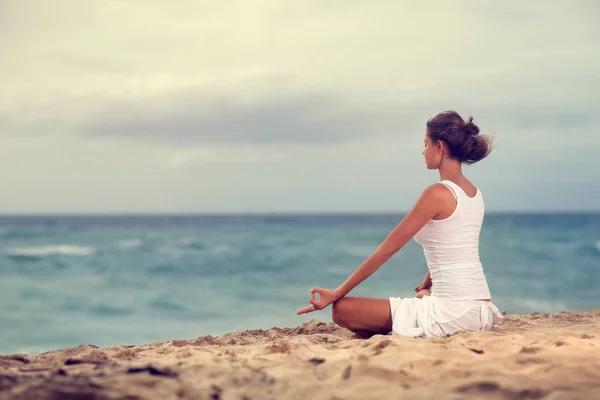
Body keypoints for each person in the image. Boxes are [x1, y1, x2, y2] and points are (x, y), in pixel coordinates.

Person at [297, 110, 504, 338]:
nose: (423, 151)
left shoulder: (437, 193)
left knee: (342, 310)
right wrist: (426, 284)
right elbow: (453, 246)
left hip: (451, 311)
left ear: (440, 146)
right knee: (413, 302)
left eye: (425, 144)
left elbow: (388, 249)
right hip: (482, 310)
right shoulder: (474, 193)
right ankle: (426, 302)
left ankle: (422, 311)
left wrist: (337, 292)